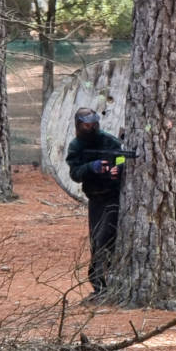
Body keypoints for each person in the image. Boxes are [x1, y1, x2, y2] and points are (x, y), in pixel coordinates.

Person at [66, 108, 123, 301]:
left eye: (93, 123)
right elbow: (74, 174)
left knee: (106, 238)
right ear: (79, 125)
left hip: (113, 197)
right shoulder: (76, 146)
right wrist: (92, 167)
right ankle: (99, 286)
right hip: (94, 199)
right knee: (96, 242)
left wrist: (118, 169)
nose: (90, 127)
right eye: (86, 124)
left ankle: (113, 281)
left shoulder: (110, 141)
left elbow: (122, 157)